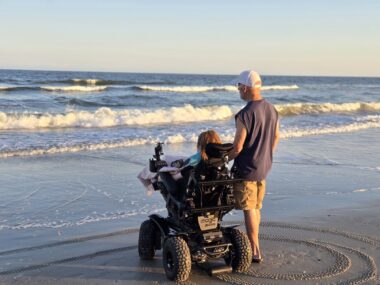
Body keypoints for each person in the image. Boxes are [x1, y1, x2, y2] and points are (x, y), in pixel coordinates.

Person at [229, 70, 280, 263]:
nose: (238, 91)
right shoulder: (271, 109)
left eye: (239, 87)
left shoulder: (245, 114)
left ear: (245, 88)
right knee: (257, 207)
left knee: (249, 208)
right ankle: (256, 245)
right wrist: (265, 154)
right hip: (263, 167)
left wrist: (226, 159)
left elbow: (238, 146)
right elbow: (276, 137)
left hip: (247, 169)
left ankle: (255, 249)